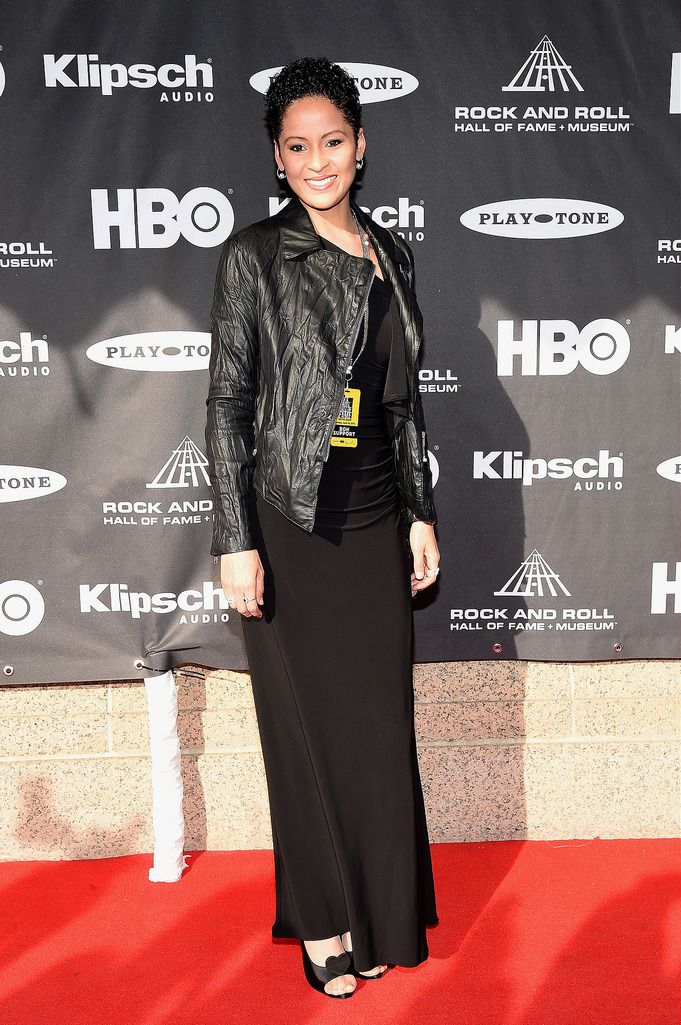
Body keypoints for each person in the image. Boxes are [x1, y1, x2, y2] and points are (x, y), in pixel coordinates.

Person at [205, 56, 441, 999]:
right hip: (289, 526)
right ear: (276, 155)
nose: (316, 161)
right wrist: (234, 535)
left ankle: (382, 916)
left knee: (378, 732)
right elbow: (227, 402)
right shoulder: (254, 258)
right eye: (296, 146)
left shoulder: (395, 254)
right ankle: (324, 924)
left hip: (377, 518)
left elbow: (404, 405)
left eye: (332, 142)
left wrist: (421, 513)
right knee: (301, 737)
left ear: (360, 145)